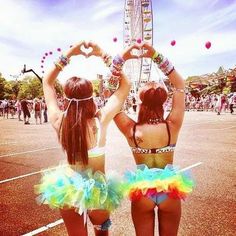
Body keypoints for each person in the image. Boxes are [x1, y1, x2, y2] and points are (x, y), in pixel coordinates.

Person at [35, 41, 138, 236]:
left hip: (68, 189)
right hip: (98, 192)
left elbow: (47, 82)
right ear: (91, 96)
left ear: (65, 97)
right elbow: (126, 85)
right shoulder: (100, 119)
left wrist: (70, 54)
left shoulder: (59, 119)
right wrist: (103, 55)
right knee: (102, 232)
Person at [114, 43, 194, 236]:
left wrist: (120, 60)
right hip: (170, 190)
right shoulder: (172, 126)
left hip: (142, 191)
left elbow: (112, 101)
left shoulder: (131, 129)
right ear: (164, 101)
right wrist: (156, 55)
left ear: (140, 102)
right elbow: (180, 84)